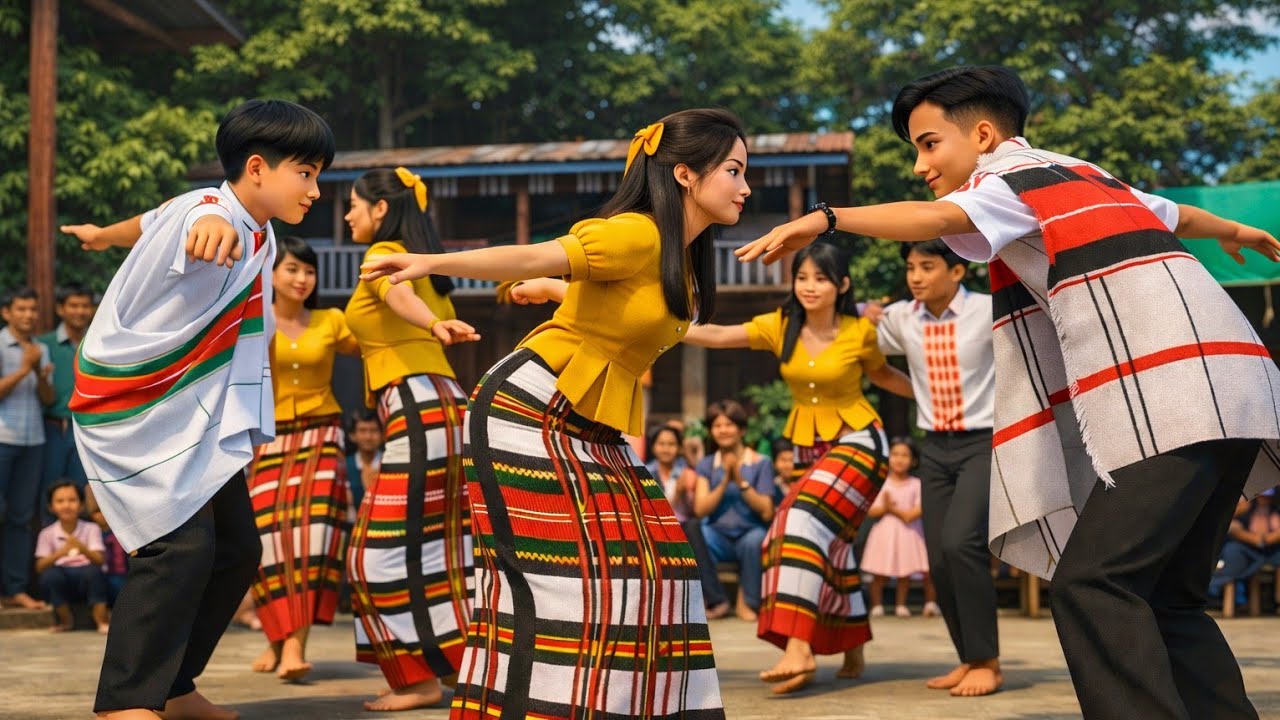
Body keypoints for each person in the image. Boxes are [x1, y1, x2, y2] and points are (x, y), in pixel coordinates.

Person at [737, 65, 1280, 718]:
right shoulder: (1080, 175)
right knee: (1166, 596)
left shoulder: (1005, 179)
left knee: (1094, 586)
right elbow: (1175, 213)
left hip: (1176, 399)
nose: (919, 164)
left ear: (985, 134)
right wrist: (1235, 230)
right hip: (1236, 390)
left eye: (929, 143)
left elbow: (934, 216)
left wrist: (827, 218)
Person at [360, 108, 748, 719]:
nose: (746, 187)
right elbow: (535, 254)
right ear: (684, 175)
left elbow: (616, 301)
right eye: (734, 170)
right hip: (529, 409)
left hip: (588, 423)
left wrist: (555, 293)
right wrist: (433, 264)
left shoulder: (678, 259)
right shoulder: (637, 232)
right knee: (567, 578)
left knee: (662, 565)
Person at [62, 98, 335, 720]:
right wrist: (210, 219)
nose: (315, 190)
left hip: (188, 417)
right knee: (176, 551)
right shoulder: (215, 214)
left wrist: (102, 235)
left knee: (238, 549)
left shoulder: (258, 231)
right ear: (258, 168)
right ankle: (126, 703)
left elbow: (152, 219)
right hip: (140, 407)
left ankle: (175, 687)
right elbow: (196, 216)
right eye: (307, 172)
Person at [682, 241, 914, 694]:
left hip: (860, 443)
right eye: (802, 277)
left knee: (794, 523)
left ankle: (798, 649)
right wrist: (664, 322)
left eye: (821, 278)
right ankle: (852, 643)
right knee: (831, 545)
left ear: (842, 285)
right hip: (810, 449)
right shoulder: (780, 325)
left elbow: (883, 376)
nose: (810, 286)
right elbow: (715, 336)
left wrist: (937, 397)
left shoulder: (858, 331)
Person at [343, 166, 479, 712]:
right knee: (440, 551)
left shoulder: (386, 253)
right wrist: (433, 323)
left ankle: (420, 678)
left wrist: (429, 325)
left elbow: (396, 297)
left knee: (372, 556)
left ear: (379, 209)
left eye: (353, 204)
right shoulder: (430, 270)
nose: (348, 213)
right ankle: (442, 669)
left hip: (421, 410)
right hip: (440, 408)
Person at [873, 238, 1000, 694]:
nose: (916, 277)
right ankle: (969, 657)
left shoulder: (988, 311)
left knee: (961, 542)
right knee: (939, 558)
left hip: (982, 443)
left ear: (957, 272)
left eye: (927, 266)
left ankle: (988, 660)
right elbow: (868, 350)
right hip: (934, 447)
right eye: (910, 267)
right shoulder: (902, 318)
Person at [246, 236, 359, 682]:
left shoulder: (332, 320)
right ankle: (275, 638)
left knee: (312, 540)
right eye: (291, 269)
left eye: (308, 271)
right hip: (268, 440)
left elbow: (378, 341)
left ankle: (295, 645)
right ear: (271, 273)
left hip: (322, 435)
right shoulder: (255, 320)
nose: (301, 279)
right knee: (266, 541)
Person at [691, 399, 777, 622]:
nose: (723, 430)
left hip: (749, 532)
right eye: (717, 426)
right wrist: (723, 482)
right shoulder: (707, 465)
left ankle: (747, 602)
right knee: (692, 532)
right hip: (716, 536)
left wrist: (739, 480)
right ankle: (716, 600)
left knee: (755, 539)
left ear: (741, 429)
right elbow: (700, 509)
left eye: (729, 425)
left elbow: (767, 511)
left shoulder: (761, 462)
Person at [0, 286, 54, 611]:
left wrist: (37, 372)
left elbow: (48, 400)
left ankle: (17, 588)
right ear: (7, 313)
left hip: (33, 440)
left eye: (32, 309)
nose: (28, 315)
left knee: (21, 518)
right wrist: (23, 369)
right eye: (21, 309)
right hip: (2, 438)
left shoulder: (40, 350)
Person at [37, 284, 96, 522]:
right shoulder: (44, 344)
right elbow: (44, 395)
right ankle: (50, 557)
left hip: (89, 429)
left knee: (84, 495)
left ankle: (85, 558)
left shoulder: (99, 342)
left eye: (85, 306)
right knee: (50, 495)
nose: (80, 311)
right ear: (60, 309)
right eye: (73, 305)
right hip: (54, 428)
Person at [861, 437, 938, 618]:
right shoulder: (881, 482)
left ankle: (901, 604)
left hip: (908, 533)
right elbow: (871, 510)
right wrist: (885, 508)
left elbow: (912, 514)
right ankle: (877, 605)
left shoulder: (917, 484)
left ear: (913, 460)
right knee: (879, 572)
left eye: (905, 455)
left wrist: (891, 508)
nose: (899, 459)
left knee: (905, 572)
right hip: (884, 533)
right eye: (895, 454)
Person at [35, 481, 109, 632]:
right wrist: (61, 552)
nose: (66, 505)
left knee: (95, 572)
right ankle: (65, 620)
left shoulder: (91, 528)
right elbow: (40, 566)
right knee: (50, 576)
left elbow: (100, 560)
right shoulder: (47, 533)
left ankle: (100, 620)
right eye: (60, 501)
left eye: (72, 500)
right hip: (62, 576)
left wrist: (82, 548)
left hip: (86, 575)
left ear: (81, 505)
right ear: (51, 507)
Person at [1209, 491, 1280, 600]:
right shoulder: (1245, 509)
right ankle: (1216, 589)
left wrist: (1265, 539)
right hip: (1246, 549)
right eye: (1261, 496)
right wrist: (1256, 539)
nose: (1264, 500)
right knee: (1232, 551)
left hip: (1272, 551)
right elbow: (1231, 528)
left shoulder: (1275, 511)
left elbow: (1274, 536)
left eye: (1267, 497)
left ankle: (1277, 600)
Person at [644, 423, 697, 522]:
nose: (666, 449)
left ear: (679, 448)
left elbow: (694, 512)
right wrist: (677, 493)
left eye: (671, 444)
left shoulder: (686, 473)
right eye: (661, 444)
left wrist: (687, 494)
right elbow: (652, 512)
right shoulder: (645, 473)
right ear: (653, 447)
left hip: (683, 525)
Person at [344, 408, 383, 510]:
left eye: (374, 430)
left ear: (383, 435)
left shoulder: (390, 465)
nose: (368, 437)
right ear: (352, 435)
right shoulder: (344, 466)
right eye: (362, 430)